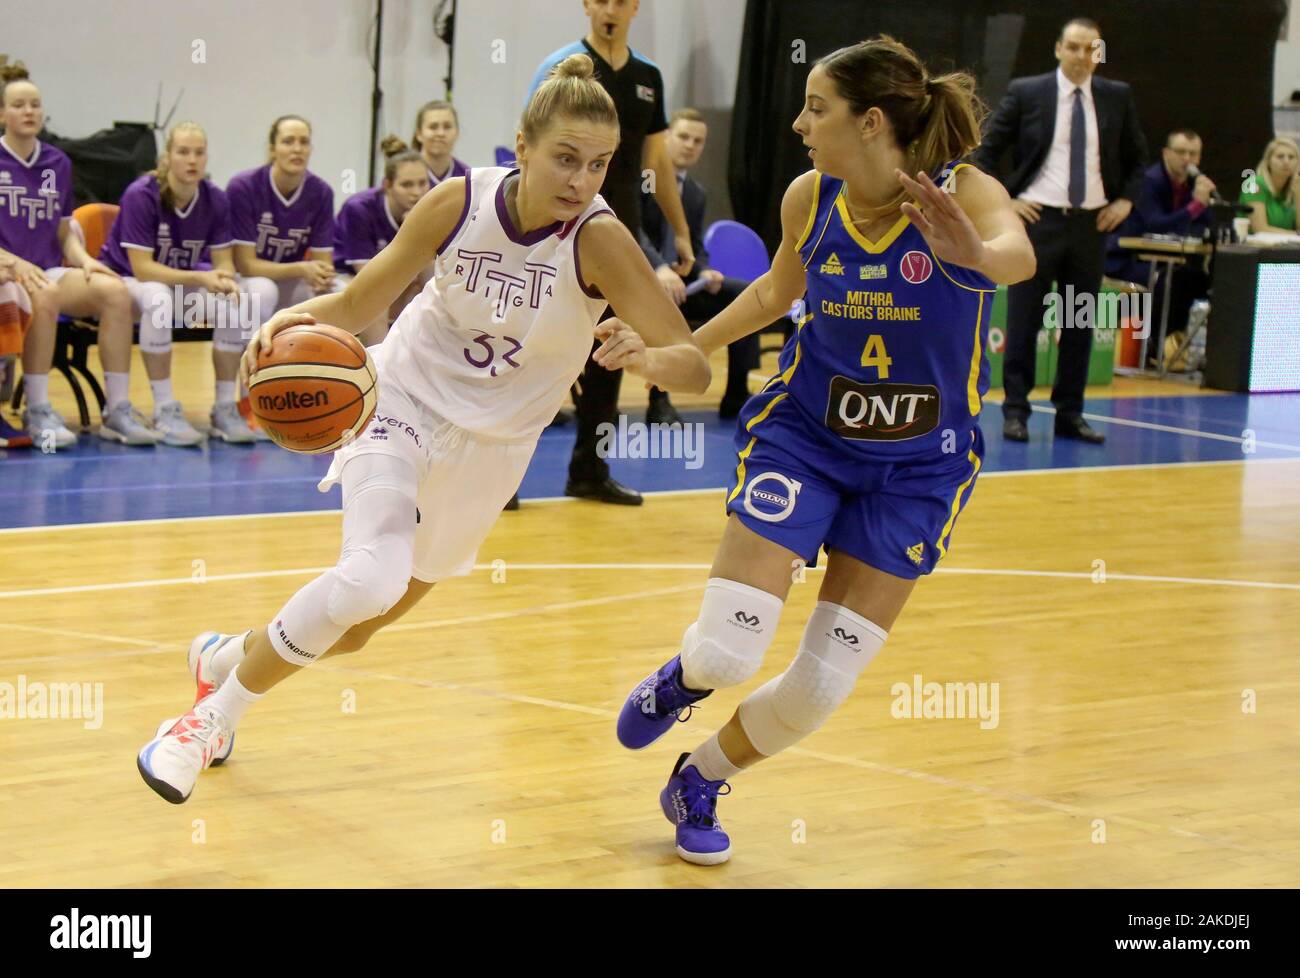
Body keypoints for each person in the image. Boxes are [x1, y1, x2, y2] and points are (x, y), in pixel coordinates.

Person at [136, 54, 710, 806]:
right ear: (523, 146)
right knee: (369, 577)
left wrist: (649, 357)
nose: (580, 180)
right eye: (565, 158)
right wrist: (282, 322)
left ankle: (224, 658)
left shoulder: (599, 240)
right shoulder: (459, 201)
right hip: (399, 399)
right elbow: (360, 298)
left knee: (357, 628)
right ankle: (207, 723)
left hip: (493, 452)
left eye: (599, 165)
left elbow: (694, 367)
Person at [614, 36, 1035, 865]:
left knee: (818, 690)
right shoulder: (812, 196)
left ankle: (696, 778)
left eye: (818, 107)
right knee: (729, 650)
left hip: (920, 469)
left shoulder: (963, 191)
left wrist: (975, 257)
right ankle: (685, 677)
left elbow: (1015, 256)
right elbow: (777, 291)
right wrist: (683, 349)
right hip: (805, 441)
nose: (801, 122)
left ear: (871, 121)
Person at [528, 0, 695, 505]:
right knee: (534, 353)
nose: (611, 9)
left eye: (621, 0)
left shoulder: (649, 77)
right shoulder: (558, 67)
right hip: (560, 234)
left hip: (616, 235)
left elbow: (658, 166)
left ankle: (589, 472)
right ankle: (505, 479)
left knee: (611, 353)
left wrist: (680, 232)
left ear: (635, 8)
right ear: (586, 5)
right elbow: (533, 151)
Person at [972, 17, 1147, 445]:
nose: (1082, 57)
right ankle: (1016, 410)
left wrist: (1124, 200)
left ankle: (1071, 413)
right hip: (1038, 222)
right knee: (1025, 319)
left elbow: (1138, 158)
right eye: (1073, 47)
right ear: (1057, 49)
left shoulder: (1116, 97)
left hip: (1089, 225)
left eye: (1091, 49)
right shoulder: (1027, 92)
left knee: (1079, 321)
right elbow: (985, 153)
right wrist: (1007, 200)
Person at [0, 67, 152, 446]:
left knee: (114, 291)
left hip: (49, 269)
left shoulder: (57, 164)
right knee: (45, 295)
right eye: (18, 105)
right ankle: (38, 410)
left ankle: (117, 410)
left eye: (35, 105)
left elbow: (64, 230)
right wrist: (14, 261)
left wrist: (83, 259)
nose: (29, 111)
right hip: (6, 271)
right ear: (2, 113)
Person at [99, 122, 277, 445]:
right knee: (157, 296)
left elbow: (223, 260)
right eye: (183, 152)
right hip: (128, 287)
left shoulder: (215, 198)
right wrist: (201, 277)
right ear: (167, 156)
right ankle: (165, 409)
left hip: (178, 288)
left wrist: (224, 278)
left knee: (240, 300)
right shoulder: (141, 194)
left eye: (199, 153)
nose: (192, 160)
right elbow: (143, 270)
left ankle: (227, 407)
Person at [640, 108, 759, 421]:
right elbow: (629, 232)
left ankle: (736, 395)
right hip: (640, 286)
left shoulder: (695, 193)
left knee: (745, 295)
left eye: (698, 141)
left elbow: (691, 246)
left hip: (682, 285)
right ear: (664, 137)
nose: (690, 145)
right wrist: (659, 269)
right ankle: (658, 400)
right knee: (664, 298)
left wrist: (704, 269)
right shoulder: (642, 181)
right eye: (683, 137)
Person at [1105, 129, 1214, 359]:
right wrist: (1194, 207)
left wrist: (1202, 207)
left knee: (1199, 279)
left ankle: (1174, 343)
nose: (1187, 159)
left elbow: (1204, 227)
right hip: (1126, 258)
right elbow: (1154, 224)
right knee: (1168, 282)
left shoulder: (1195, 185)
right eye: (1181, 152)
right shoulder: (1150, 181)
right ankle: (1149, 346)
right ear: (1166, 153)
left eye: (1193, 154)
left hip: (1167, 260)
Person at [333, 141, 433, 345]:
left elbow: (433, 274)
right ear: (387, 185)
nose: (416, 192)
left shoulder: (429, 208)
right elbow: (368, 275)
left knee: (433, 295)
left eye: (422, 183)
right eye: (407, 185)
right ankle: (379, 370)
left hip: (397, 278)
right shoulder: (359, 208)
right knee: (374, 302)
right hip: (345, 278)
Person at [401, 101, 470, 188]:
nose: (441, 133)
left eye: (447, 126)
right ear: (418, 134)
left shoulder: (467, 178)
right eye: (433, 127)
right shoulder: (401, 175)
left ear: (457, 132)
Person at [1242, 137, 1299, 234]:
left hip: (1286, 247)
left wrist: (1298, 196)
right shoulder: (1254, 183)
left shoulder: (1295, 186)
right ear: (1268, 161)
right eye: (1280, 156)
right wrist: (1296, 235)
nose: (1286, 162)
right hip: (1252, 247)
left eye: (1291, 157)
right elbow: (1260, 229)